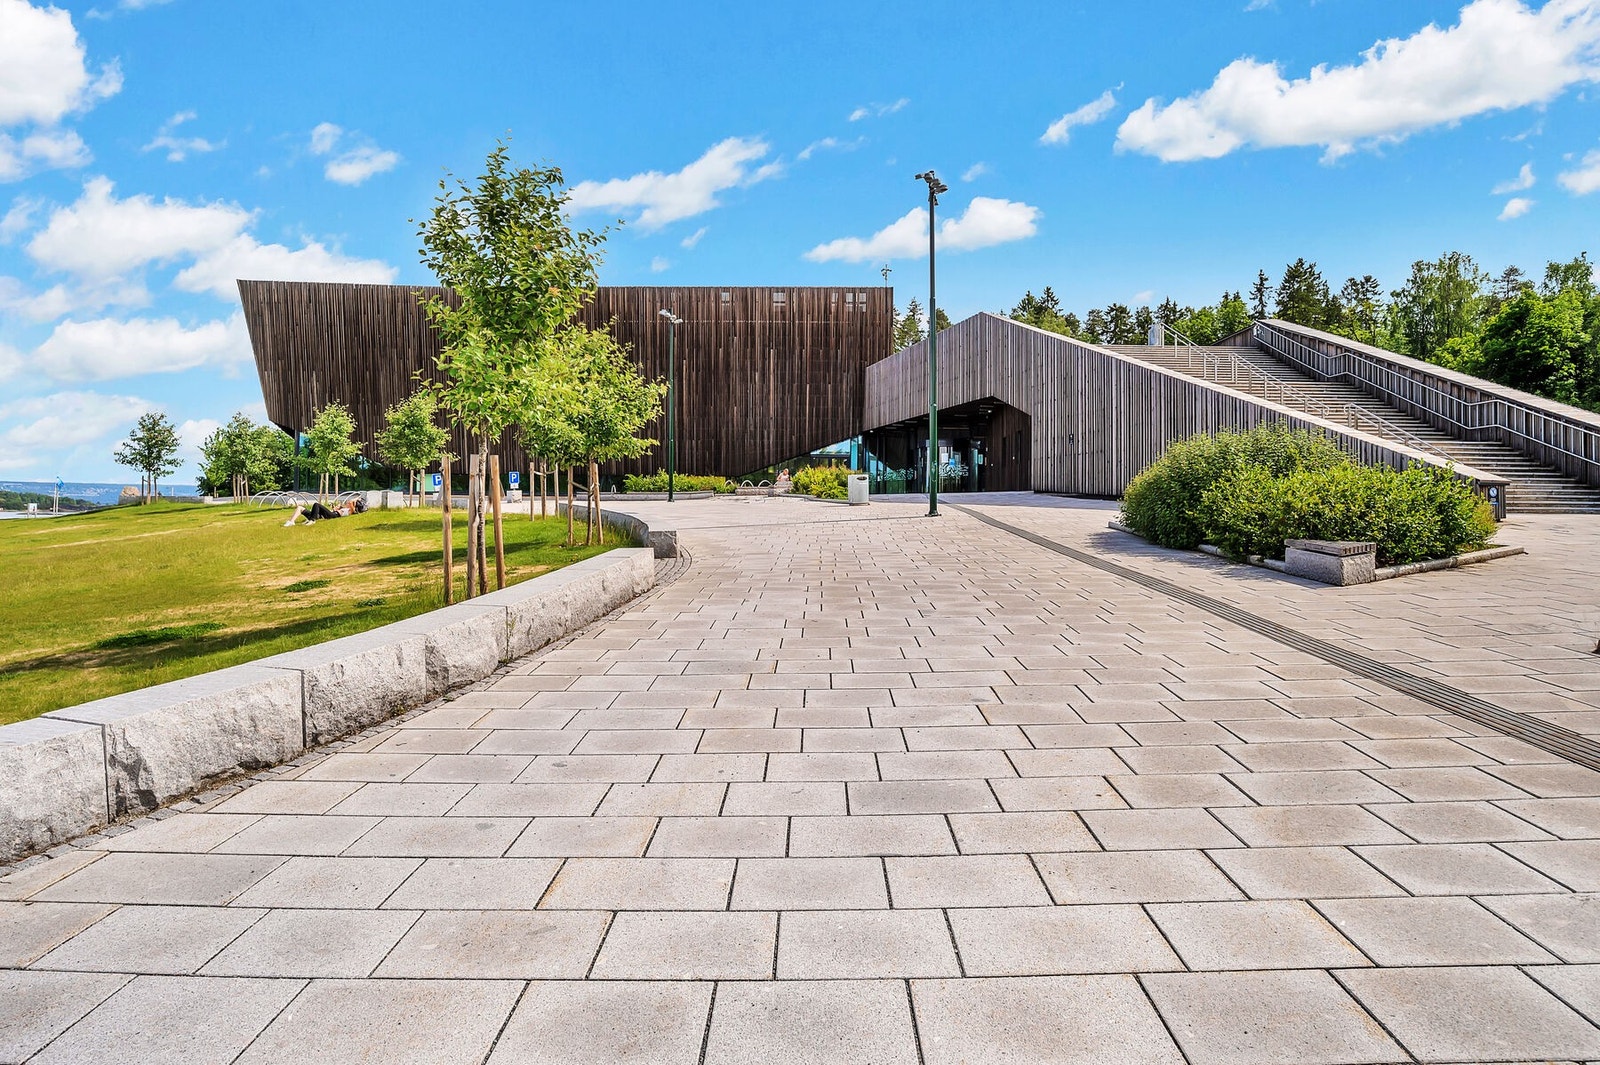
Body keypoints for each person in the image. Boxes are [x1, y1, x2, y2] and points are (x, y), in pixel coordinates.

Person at [284, 497, 363, 525]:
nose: (349, 502)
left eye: (352, 503)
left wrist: (357, 499)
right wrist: (336, 508)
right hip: (326, 514)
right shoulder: (345, 508)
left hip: (332, 515)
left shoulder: (351, 511)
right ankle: (291, 522)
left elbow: (351, 501)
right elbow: (349, 502)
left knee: (316, 504)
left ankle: (312, 520)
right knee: (300, 507)